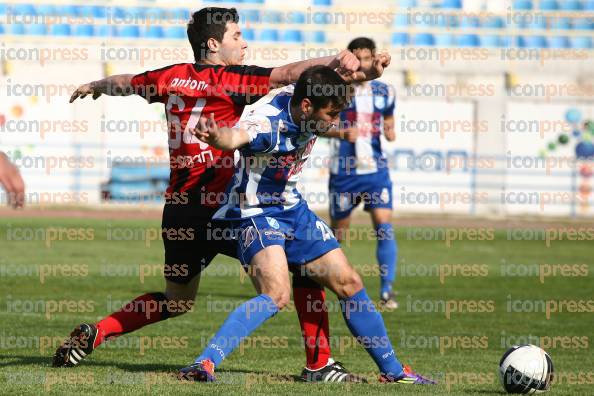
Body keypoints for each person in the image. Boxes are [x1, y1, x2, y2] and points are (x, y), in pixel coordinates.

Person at [53, 7, 368, 382]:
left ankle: (98, 332)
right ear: (213, 44)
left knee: (177, 301)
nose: (244, 43)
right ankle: (318, 363)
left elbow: (126, 82)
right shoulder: (232, 79)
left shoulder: (168, 77)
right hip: (227, 208)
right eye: (237, 36)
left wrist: (94, 85)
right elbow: (287, 75)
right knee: (301, 268)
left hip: (180, 211)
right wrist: (334, 59)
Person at [180, 65, 434, 385]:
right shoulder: (267, 123)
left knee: (349, 283)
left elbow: (330, 77)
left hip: (293, 209)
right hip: (255, 214)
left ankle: (394, 372)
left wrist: (365, 68)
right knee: (276, 294)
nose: (335, 122)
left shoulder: (309, 98)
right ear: (306, 107)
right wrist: (218, 136)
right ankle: (204, 362)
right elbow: (237, 136)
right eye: (330, 115)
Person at [325, 37, 398, 308]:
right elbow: (316, 125)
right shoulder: (338, 90)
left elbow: (389, 117)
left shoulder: (385, 91)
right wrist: (341, 132)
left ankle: (387, 291)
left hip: (376, 171)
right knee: (338, 235)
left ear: (373, 59)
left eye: (366, 58)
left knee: (384, 228)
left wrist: (390, 129)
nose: (361, 64)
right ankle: (329, 283)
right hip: (344, 173)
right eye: (356, 58)